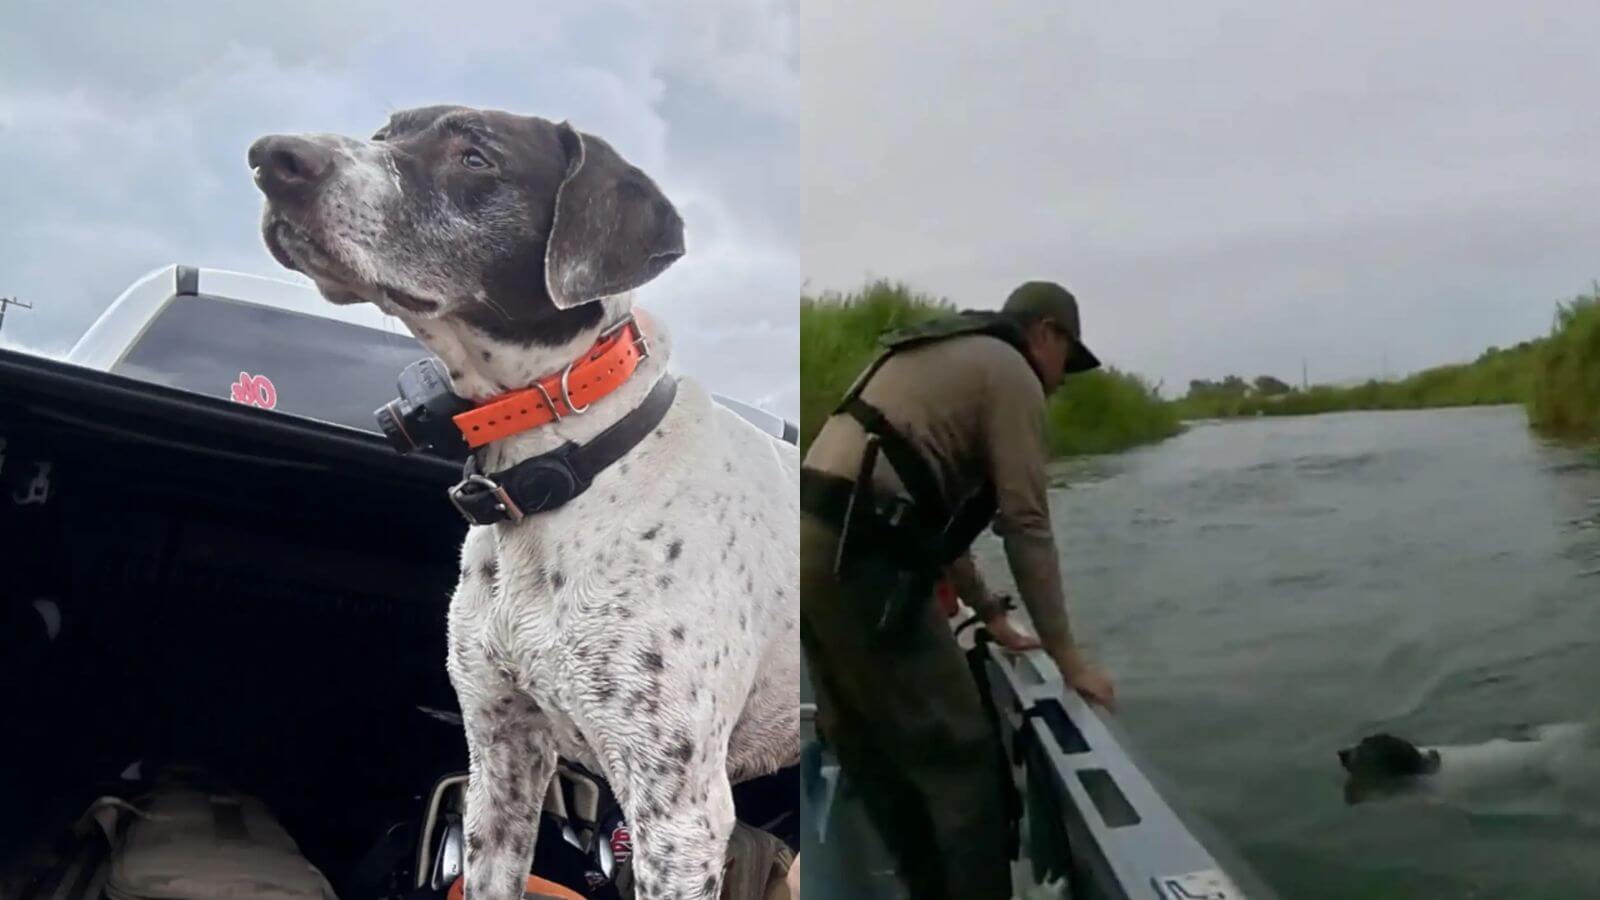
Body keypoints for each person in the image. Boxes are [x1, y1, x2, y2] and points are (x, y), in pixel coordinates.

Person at [798, 280, 1115, 899]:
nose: (1060, 382)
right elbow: (1026, 523)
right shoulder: (1012, 372)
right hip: (862, 562)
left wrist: (991, 612)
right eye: (1066, 361)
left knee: (872, 750)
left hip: (808, 549)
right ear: (1046, 333)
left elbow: (929, 528)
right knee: (965, 757)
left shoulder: (944, 354)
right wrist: (1069, 659)